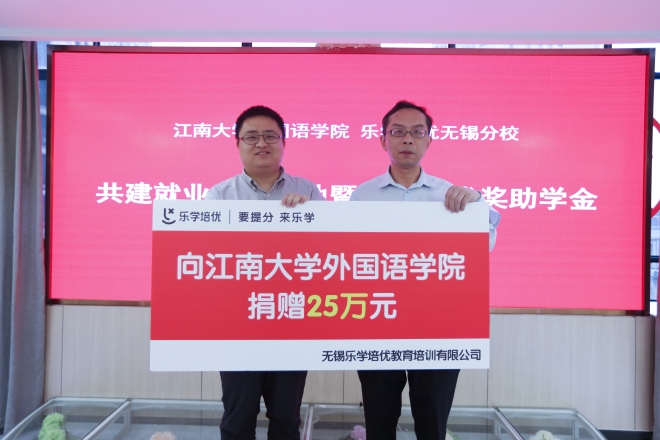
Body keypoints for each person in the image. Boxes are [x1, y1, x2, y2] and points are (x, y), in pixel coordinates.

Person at [350, 100, 500, 440]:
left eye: (417, 132)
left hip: (438, 322)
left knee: (432, 422)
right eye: (398, 131)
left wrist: (478, 201)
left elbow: (484, 244)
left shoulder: (452, 195)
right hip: (380, 318)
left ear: (428, 141)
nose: (407, 139)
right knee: (379, 419)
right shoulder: (362, 196)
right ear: (383, 140)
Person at [205, 105, 325, 440]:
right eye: (252, 137)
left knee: (286, 417)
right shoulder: (219, 196)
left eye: (271, 136)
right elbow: (211, 257)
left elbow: (328, 253)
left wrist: (310, 218)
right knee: (237, 416)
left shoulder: (308, 191)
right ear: (238, 144)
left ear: (284, 142)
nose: (262, 143)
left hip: (291, 319)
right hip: (237, 323)